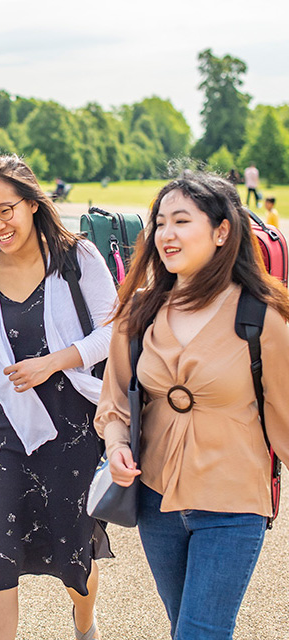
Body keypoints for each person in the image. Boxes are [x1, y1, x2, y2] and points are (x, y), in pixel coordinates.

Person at [95, 171, 289, 639]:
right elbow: (116, 401)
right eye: (160, 223)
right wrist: (117, 447)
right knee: (182, 626)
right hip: (155, 500)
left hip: (234, 501)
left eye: (181, 221)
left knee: (200, 633)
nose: (166, 234)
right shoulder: (138, 311)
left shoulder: (262, 316)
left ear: (222, 232)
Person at [0, 155, 116, 640]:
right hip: (7, 422)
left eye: (6, 210)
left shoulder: (78, 257)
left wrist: (54, 361)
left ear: (33, 204)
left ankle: (86, 629)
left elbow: (114, 329)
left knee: (73, 546)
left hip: (75, 421)